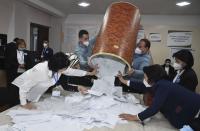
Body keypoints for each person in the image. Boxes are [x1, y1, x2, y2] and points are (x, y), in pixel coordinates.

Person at [115, 64, 200, 130]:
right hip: (189, 111)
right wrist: (123, 80)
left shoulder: (163, 86)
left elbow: (154, 108)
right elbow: (141, 85)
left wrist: (135, 117)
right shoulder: (158, 83)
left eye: (145, 77)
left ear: (151, 78)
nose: (143, 79)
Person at [11, 52, 97, 109]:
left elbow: (72, 71)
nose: (65, 70)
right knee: (17, 110)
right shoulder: (40, 70)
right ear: (57, 67)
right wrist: (24, 104)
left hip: (32, 91)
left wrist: (90, 74)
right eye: (64, 68)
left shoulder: (58, 68)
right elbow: (24, 87)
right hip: (18, 90)